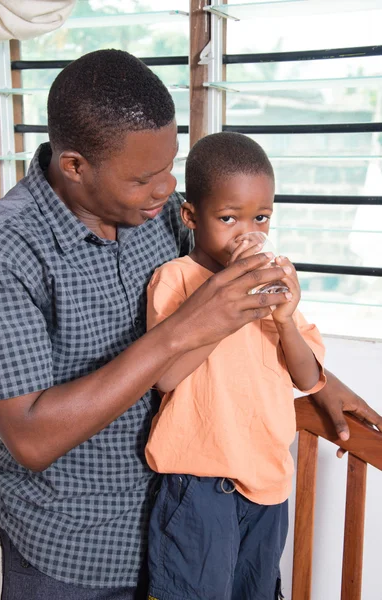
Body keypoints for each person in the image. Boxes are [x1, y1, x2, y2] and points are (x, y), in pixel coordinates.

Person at [0, 50, 379, 600]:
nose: (166, 187)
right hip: (75, 553)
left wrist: (318, 381)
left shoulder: (161, 213)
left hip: (186, 519)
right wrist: (182, 330)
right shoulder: (4, 249)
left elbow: (238, 295)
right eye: (145, 177)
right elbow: (29, 435)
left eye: (170, 166)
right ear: (75, 166)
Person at [145, 132, 327, 600]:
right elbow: (164, 376)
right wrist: (228, 305)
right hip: (199, 488)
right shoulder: (177, 280)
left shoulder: (271, 288)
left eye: (261, 217)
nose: (248, 232)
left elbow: (307, 378)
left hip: (267, 484)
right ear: (190, 216)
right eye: (228, 218)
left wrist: (285, 318)